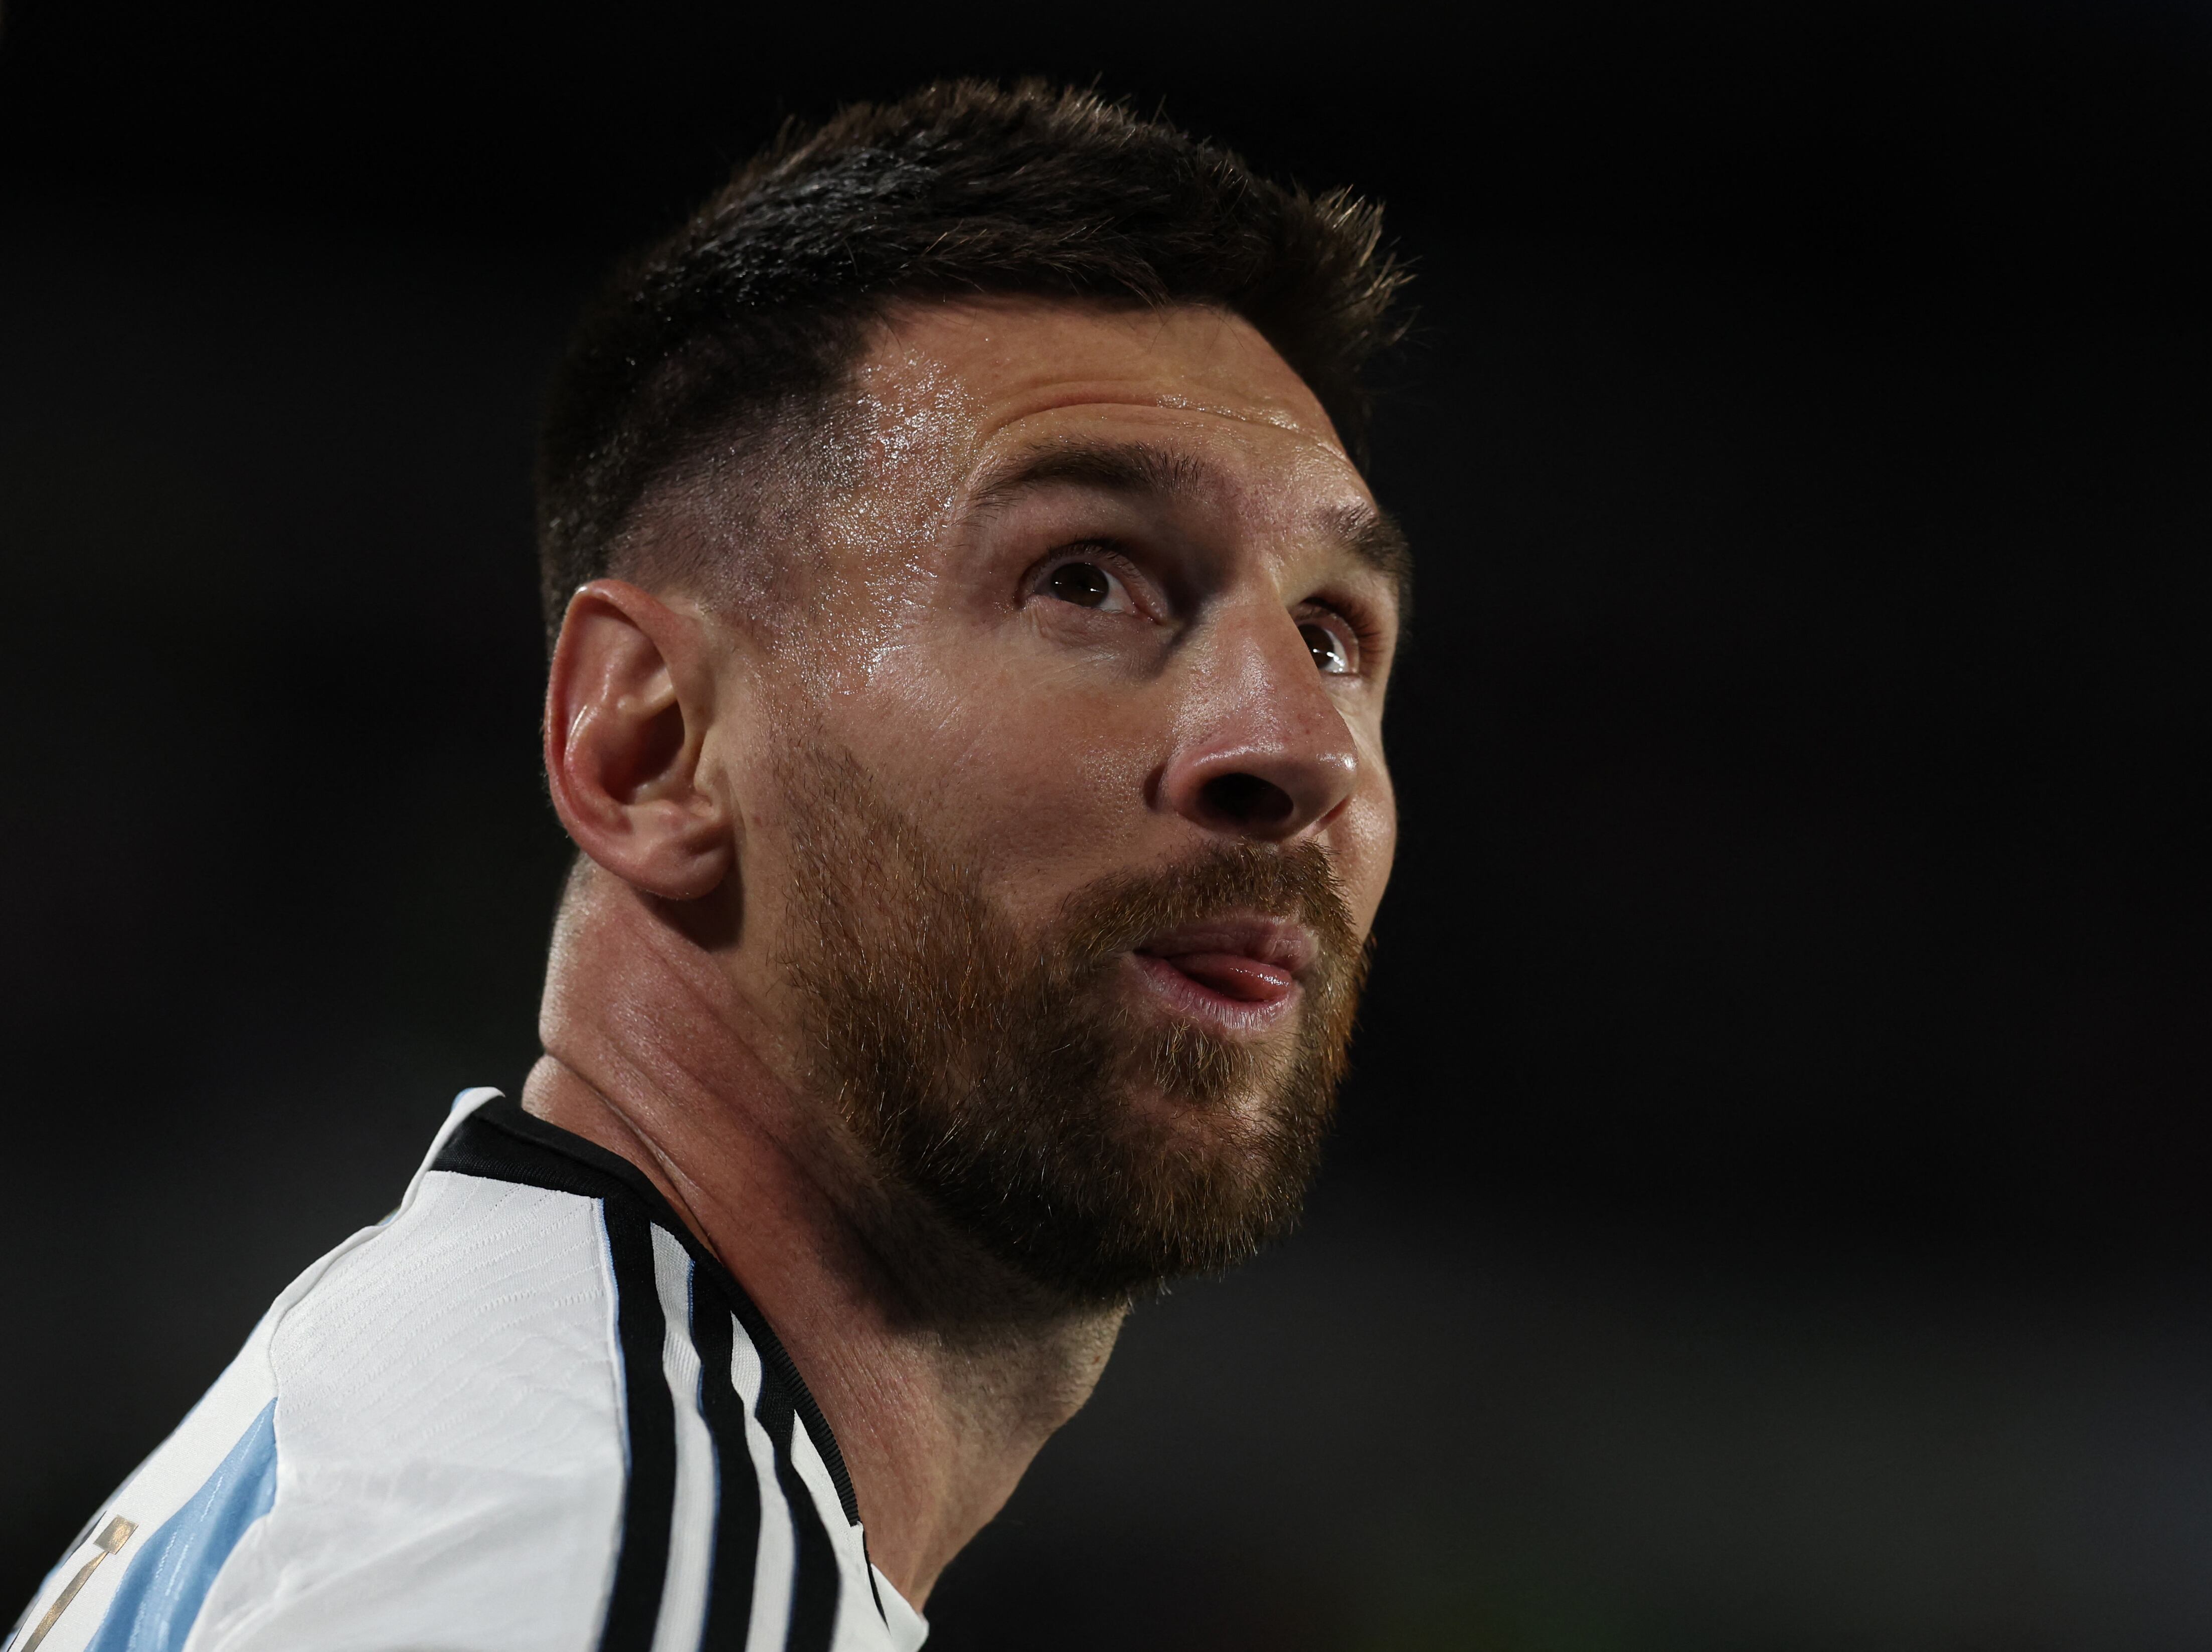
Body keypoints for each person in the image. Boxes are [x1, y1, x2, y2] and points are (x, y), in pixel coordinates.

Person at [9, 80, 1409, 1652]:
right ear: (650, 750)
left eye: (1333, 634)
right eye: (1087, 580)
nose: (1304, 749)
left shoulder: (466, 1416)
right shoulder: (595, 1562)